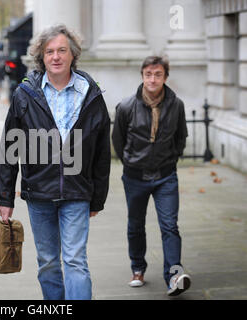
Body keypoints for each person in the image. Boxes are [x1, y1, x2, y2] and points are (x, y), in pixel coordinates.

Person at [0, 24, 111, 300]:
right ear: (42, 57)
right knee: (47, 262)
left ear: (73, 55)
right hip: (39, 193)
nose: (56, 56)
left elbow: (101, 153)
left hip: (77, 191)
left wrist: (98, 198)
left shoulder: (90, 94)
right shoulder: (25, 94)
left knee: (75, 261)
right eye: (50, 51)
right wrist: (5, 197)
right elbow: (11, 147)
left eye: (62, 50)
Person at [112, 56, 191, 296]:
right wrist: (132, 163)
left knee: (170, 226)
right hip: (135, 177)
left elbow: (181, 137)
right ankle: (138, 268)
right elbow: (118, 140)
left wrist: (171, 160)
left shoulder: (176, 105)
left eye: (157, 74)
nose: (152, 79)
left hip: (166, 176)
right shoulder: (126, 106)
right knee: (136, 225)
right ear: (142, 76)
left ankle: (174, 275)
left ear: (165, 77)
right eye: (148, 74)